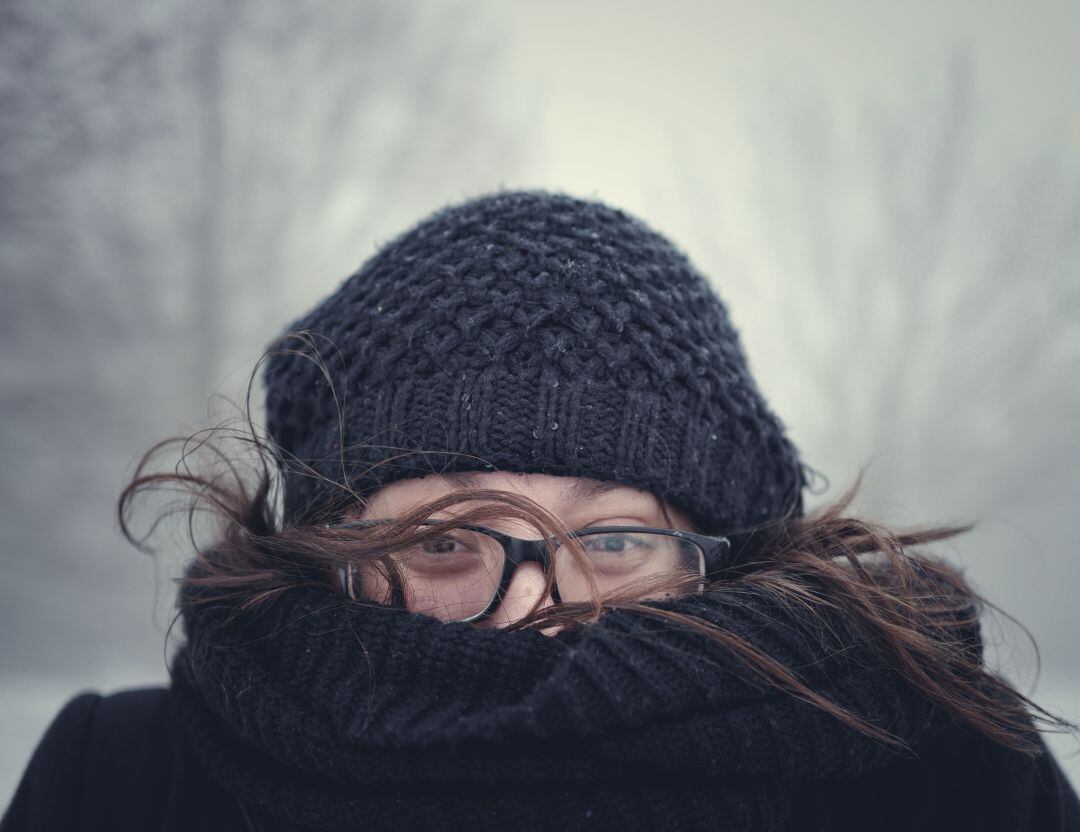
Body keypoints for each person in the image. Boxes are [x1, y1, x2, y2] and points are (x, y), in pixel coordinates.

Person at [3, 189, 1078, 832]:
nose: (537, 615)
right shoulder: (124, 782)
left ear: (726, 557)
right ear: (332, 548)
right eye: (445, 541)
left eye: (612, 539)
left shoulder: (942, 774)